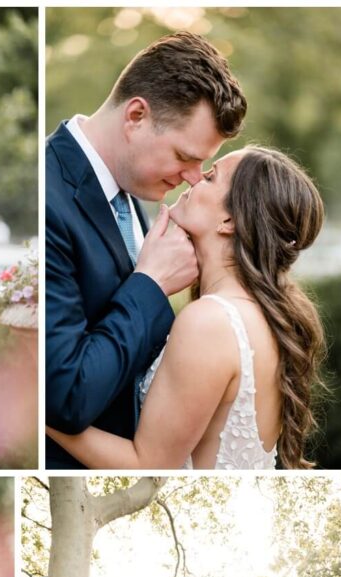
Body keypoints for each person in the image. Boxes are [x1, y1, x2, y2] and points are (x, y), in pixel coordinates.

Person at [47, 147, 325, 469]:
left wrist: (45, 405)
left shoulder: (210, 323)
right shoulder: (258, 316)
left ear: (229, 220)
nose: (193, 177)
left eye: (210, 177)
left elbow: (148, 465)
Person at [45, 32, 246, 468]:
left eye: (204, 165)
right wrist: (150, 284)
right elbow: (66, 395)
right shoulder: (44, 198)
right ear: (136, 115)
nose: (194, 178)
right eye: (184, 156)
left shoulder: (135, 193)